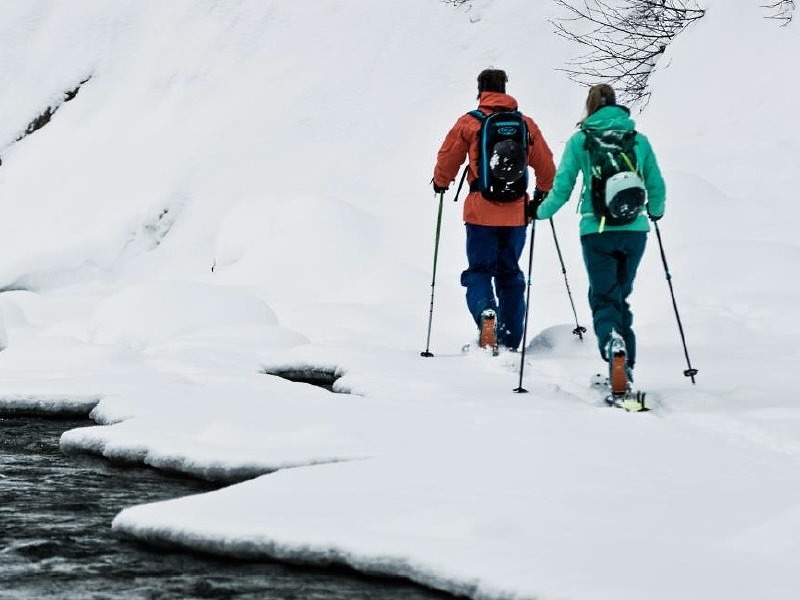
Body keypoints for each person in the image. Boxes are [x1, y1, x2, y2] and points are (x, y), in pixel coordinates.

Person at [534, 84, 665, 390]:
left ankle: (612, 346)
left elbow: (562, 187)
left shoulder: (581, 140)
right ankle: (625, 369)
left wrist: (539, 212)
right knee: (620, 298)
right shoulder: (638, 140)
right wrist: (655, 212)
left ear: (589, 107)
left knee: (604, 298)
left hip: (597, 231)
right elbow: (657, 184)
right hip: (635, 232)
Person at [432, 69, 555, 352]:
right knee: (510, 273)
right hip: (516, 214)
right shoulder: (525, 123)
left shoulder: (469, 123)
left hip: (480, 212)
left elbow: (447, 157)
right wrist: (540, 194)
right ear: (505, 88)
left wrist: (441, 183)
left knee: (479, 271)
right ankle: (510, 339)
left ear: (480, 90)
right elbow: (546, 165)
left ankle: (486, 313)